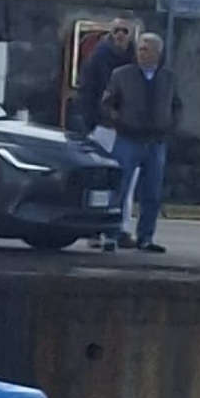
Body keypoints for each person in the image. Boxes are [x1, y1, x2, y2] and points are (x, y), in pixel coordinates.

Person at [102, 31, 181, 255]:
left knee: (152, 193)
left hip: (156, 141)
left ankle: (146, 237)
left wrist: (170, 125)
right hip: (128, 139)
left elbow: (177, 104)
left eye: (146, 49)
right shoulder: (122, 75)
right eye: (139, 49)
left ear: (158, 53)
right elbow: (107, 103)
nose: (141, 53)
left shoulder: (168, 78)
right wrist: (119, 122)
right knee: (119, 188)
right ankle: (111, 234)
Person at [76, 17, 137, 251]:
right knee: (99, 180)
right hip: (102, 127)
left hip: (128, 130)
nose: (120, 35)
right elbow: (87, 91)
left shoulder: (135, 60)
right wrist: (90, 123)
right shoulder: (97, 59)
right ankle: (94, 230)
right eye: (116, 31)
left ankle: (119, 228)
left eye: (124, 31)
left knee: (127, 183)